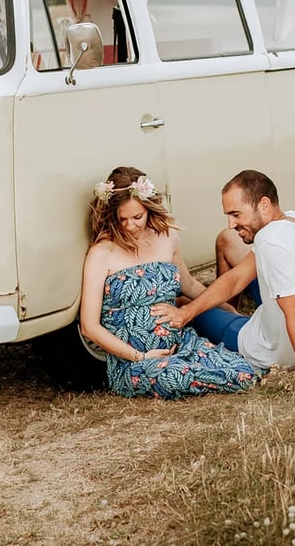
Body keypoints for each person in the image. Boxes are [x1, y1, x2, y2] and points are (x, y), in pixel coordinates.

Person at [79, 166, 263, 399]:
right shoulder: (101, 253)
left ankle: (195, 362)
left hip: (180, 342)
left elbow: (189, 285)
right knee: (174, 376)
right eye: (122, 218)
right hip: (134, 362)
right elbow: (89, 326)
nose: (130, 225)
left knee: (243, 370)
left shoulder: (167, 239)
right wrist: (140, 356)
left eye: (137, 217)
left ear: (149, 209)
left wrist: (222, 304)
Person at [151, 170, 295, 380]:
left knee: (182, 302)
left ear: (264, 205)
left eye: (236, 214)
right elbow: (236, 279)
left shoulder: (270, 240)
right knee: (226, 246)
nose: (231, 225)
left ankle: (229, 319)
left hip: (280, 352)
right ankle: (228, 311)